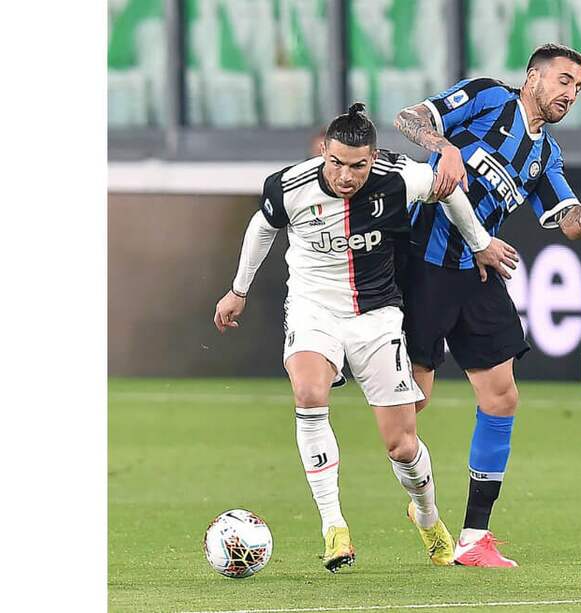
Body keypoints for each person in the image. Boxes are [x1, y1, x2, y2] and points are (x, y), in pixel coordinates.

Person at [394, 43, 581, 567]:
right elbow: (408, 118)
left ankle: (475, 538)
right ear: (532, 77)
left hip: (479, 271)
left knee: (502, 396)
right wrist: (444, 145)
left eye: (578, 87)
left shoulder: (546, 155)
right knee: (410, 408)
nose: (570, 93)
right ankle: (422, 502)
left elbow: (570, 221)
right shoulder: (485, 98)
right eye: (563, 80)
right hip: (425, 264)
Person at [213, 103, 517, 572]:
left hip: (377, 319)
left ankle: (428, 517)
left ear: (373, 159)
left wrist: (479, 242)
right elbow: (262, 228)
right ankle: (333, 526)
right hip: (315, 310)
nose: (346, 176)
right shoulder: (290, 185)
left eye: (357, 166)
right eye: (336, 163)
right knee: (308, 391)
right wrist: (238, 290)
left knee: (402, 444)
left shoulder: (399, 177)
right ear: (324, 154)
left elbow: (450, 190)